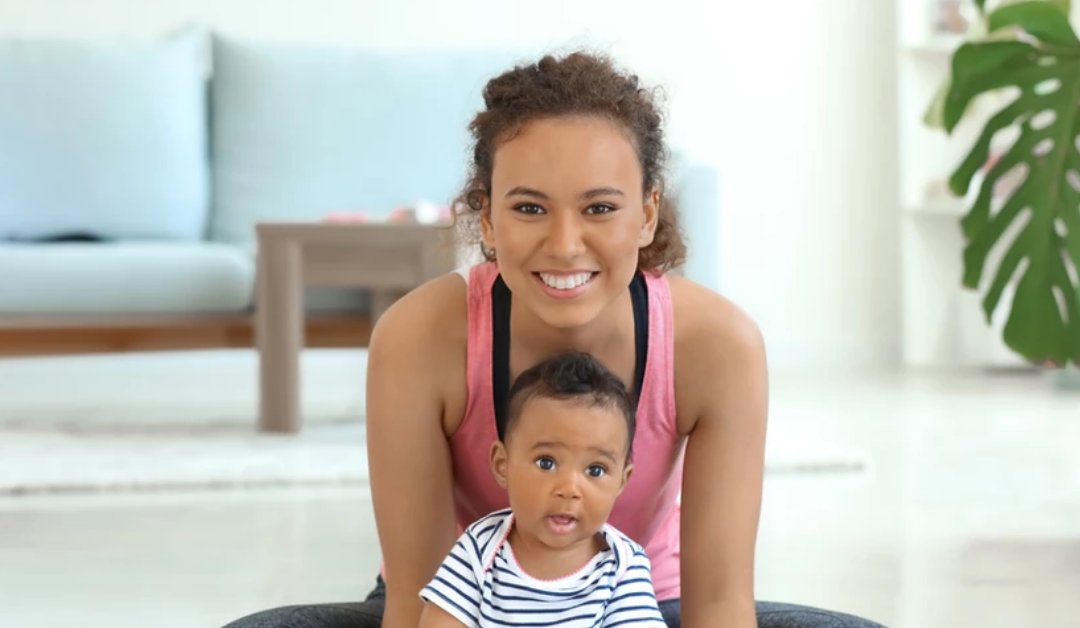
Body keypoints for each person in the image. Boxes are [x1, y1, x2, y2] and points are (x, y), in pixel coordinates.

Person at [224, 51, 888, 628]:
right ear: (486, 214)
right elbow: (415, 598)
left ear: (647, 212)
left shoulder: (718, 345)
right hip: (467, 610)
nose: (565, 245)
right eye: (529, 208)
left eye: (600, 208)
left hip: (641, 608)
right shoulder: (418, 338)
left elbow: (718, 606)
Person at [418, 350, 666, 628]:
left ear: (622, 480)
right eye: (546, 462)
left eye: (595, 470)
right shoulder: (480, 548)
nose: (569, 488)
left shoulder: (622, 566)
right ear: (503, 465)